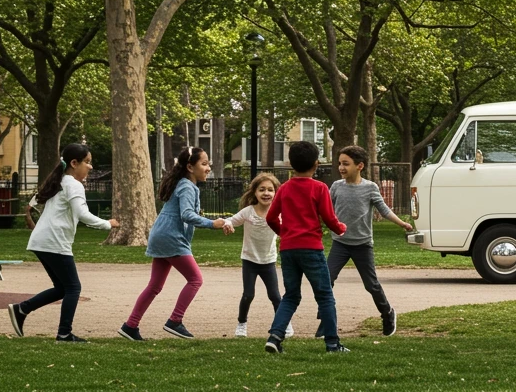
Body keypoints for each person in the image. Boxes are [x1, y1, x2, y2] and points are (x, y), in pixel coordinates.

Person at [8, 143, 118, 342]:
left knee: (62, 287)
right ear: (74, 163)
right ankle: (64, 333)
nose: (90, 167)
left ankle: (22, 309)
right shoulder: (73, 184)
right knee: (73, 287)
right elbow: (82, 214)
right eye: (87, 162)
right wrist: (107, 224)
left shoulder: (61, 182)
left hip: (43, 241)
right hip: (53, 242)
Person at [119, 147, 227, 341]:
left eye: (208, 163)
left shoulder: (185, 185)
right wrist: (212, 224)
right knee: (195, 280)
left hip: (161, 235)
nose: (208, 167)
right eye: (204, 163)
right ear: (190, 167)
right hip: (170, 238)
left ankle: (130, 326)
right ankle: (175, 321)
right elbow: (187, 214)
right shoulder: (187, 186)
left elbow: (183, 214)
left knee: (154, 286)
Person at [264, 141, 348, 354]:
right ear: (316, 164)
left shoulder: (284, 188)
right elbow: (329, 217)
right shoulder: (319, 188)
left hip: (289, 249)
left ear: (291, 164)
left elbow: (271, 217)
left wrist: (284, 233)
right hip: (311, 248)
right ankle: (332, 343)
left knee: (291, 295)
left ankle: (275, 336)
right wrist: (340, 228)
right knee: (325, 295)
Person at [325, 146, 412, 337]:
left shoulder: (370, 187)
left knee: (371, 284)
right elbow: (326, 211)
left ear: (360, 166)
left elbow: (384, 209)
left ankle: (387, 313)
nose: (341, 167)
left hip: (362, 244)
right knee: (327, 280)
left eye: (346, 164)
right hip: (340, 243)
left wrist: (401, 223)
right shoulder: (336, 187)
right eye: (340, 163)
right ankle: (326, 321)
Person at [222, 172, 292, 339]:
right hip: (249, 260)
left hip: (268, 260)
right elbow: (232, 220)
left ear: (276, 193)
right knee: (248, 294)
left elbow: (290, 228)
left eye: (270, 190)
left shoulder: (279, 213)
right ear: (254, 192)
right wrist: (228, 224)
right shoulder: (248, 212)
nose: (266, 193)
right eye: (262, 189)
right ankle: (241, 324)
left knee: (275, 295)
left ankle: (283, 324)